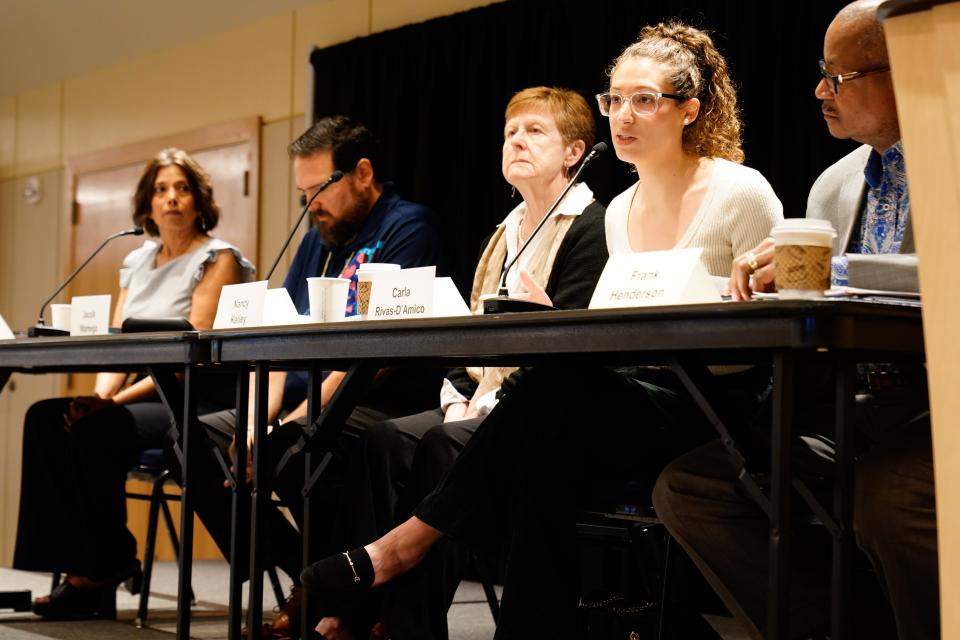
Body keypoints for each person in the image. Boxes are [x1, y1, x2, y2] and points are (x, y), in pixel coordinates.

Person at [302, 22, 783, 640]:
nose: (623, 115)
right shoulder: (624, 210)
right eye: (614, 99)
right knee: (545, 449)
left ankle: (402, 547)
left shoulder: (739, 192)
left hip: (714, 403)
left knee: (549, 403)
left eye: (645, 100)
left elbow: (778, 328)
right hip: (630, 398)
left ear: (689, 110)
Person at [651, 2, 937, 639]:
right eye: (821, 73)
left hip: (937, 410)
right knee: (694, 487)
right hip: (854, 408)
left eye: (838, 77)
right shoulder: (833, 185)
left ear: (906, 71)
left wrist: (833, 271)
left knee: (889, 497)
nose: (820, 91)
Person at [316, 86, 609, 640]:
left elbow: (568, 351)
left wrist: (485, 402)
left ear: (575, 151)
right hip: (475, 397)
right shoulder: (503, 233)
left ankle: (406, 625)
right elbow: (465, 333)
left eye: (534, 131)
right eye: (509, 133)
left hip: (531, 408)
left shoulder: (591, 227)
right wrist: (455, 394)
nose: (517, 141)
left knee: (438, 446)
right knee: (383, 439)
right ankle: (358, 612)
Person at [174, 116, 443, 638]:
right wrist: (256, 421)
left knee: (297, 449)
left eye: (320, 189)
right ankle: (309, 576)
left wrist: (291, 423)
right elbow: (275, 343)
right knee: (198, 439)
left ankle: (331, 594)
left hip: (379, 396)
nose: (310, 205)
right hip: (303, 392)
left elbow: (375, 352)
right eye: (303, 193)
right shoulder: (318, 234)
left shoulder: (408, 227)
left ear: (362, 173)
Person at [13, 148, 254, 619]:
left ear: (200, 201)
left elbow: (190, 355)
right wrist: (99, 397)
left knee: (94, 430)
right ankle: (76, 564)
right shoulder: (136, 261)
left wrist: (109, 406)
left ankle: (102, 569)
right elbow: (122, 344)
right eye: (161, 190)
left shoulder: (218, 258)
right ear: (146, 205)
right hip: (141, 390)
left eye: (182, 189)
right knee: (47, 418)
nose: (172, 199)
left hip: (193, 394)